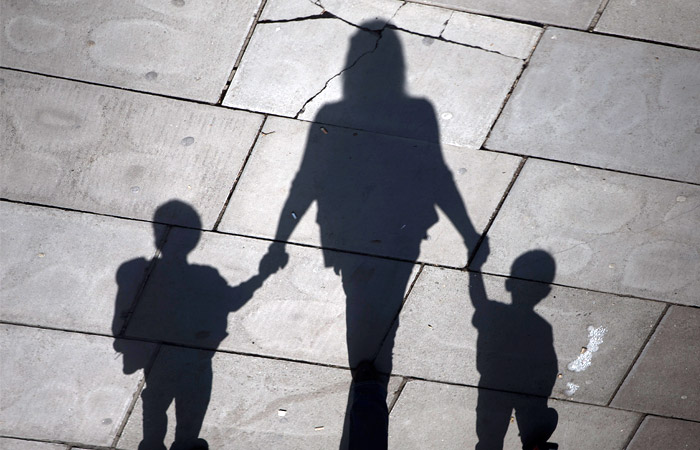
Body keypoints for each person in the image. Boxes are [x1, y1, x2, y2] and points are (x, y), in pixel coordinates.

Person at [260, 22, 482, 449]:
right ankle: (366, 384)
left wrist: (280, 241)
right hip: (400, 223)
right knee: (376, 295)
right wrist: (466, 230)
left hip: (352, 227)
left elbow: (307, 180)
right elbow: (437, 173)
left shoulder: (334, 114)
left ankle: (367, 384)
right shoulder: (416, 110)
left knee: (362, 296)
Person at [112, 200, 283, 450]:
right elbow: (233, 300)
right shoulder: (206, 276)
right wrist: (262, 275)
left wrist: (129, 345)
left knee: (157, 397)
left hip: (161, 356)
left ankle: (154, 444)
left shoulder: (140, 272)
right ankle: (181, 443)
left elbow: (123, 317)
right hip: (197, 357)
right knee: (190, 404)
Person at [469, 250, 559, 450]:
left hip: (493, 382)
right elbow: (549, 365)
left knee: (489, 438)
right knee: (521, 428)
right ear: (545, 292)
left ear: (508, 284)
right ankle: (534, 444)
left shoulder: (496, 312)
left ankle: (534, 443)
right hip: (523, 385)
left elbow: (479, 301)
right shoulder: (542, 327)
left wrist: (475, 269)